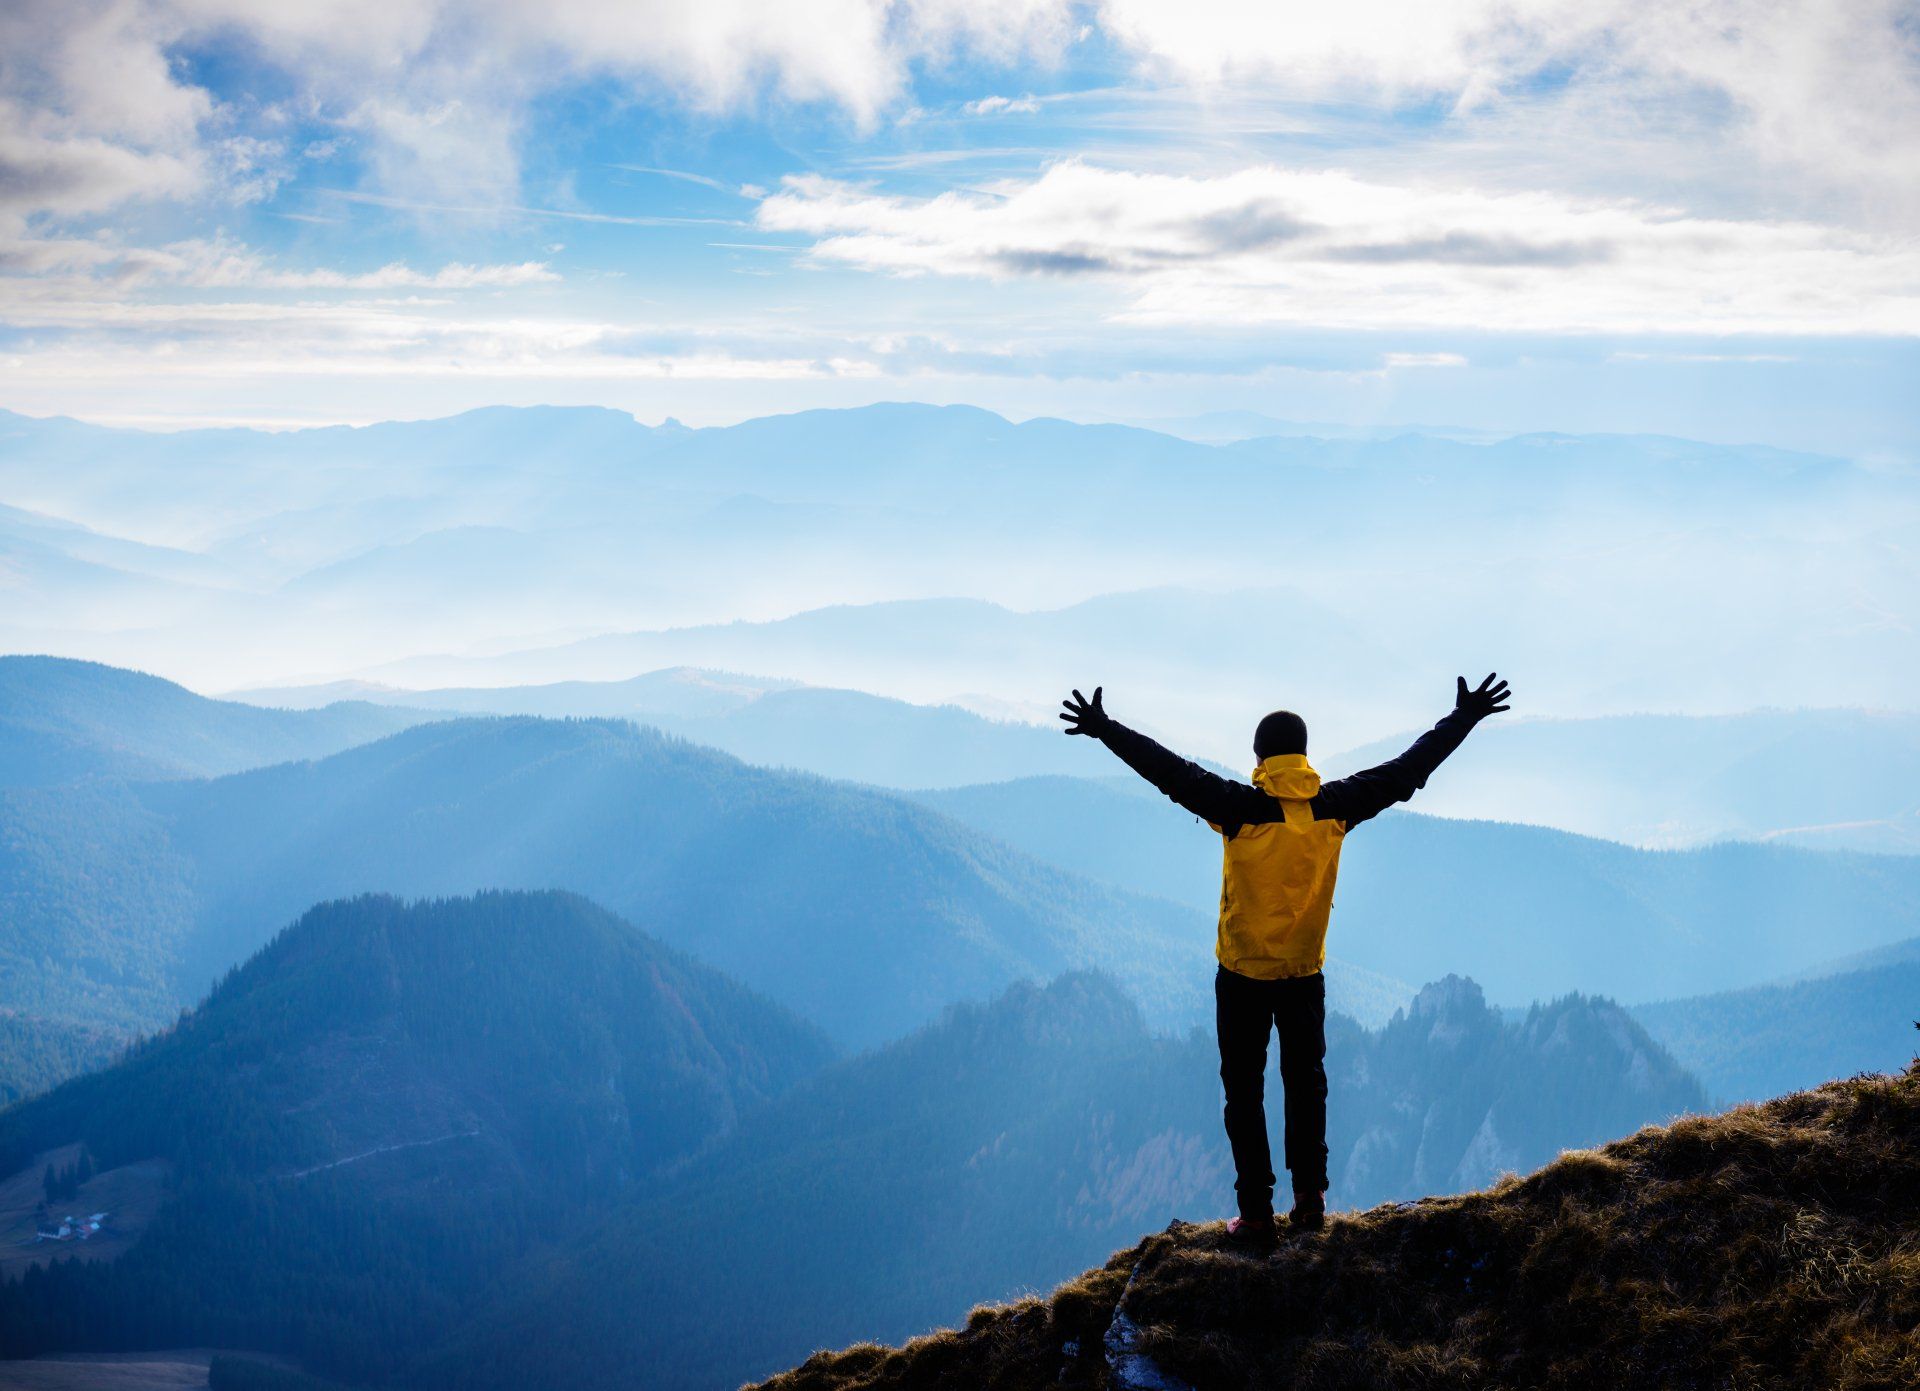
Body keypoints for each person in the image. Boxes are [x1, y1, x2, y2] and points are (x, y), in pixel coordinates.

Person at [1059, 673, 1512, 1248]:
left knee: (1244, 1095)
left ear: (1259, 758)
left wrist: (1104, 729)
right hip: (1304, 976)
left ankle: (1254, 1216)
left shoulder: (1238, 809)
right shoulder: (1335, 807)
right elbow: (1406, 772)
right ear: (1301, 756)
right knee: (1306, 1086)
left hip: (1243, 976)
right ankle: (1310, 1200)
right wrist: (1464, 718)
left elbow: (1170, 772)